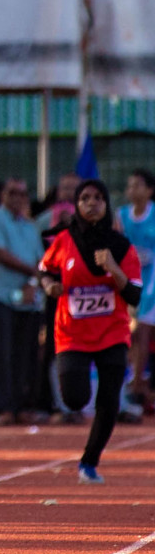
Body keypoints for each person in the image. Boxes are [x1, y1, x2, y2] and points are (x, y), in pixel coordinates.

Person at [39, 179, 142, 483]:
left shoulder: (121, 246)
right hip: (72, 332)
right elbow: (44, 270)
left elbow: (135, 295)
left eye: (98, 198)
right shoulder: (63, 241)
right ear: (77, 205)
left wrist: (114, 269)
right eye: (85, 198)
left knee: (108, 400)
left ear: (106, 204)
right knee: (74, 399)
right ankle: (76, 409)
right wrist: (50, 286)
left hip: (112, 332)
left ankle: (89, 462)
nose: (91, 203)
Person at [0, 177, 46, 424]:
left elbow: (41, 261)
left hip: (28, 298)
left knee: (26, 355)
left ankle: (22, 405)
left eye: (22, 193)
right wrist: (31, 273)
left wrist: (32, 283)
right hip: (3, 296)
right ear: (3, 195)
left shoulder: (30, 227)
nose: (17, 198)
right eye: (12, 193)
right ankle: (2, 407)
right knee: (2, 353)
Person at [115, 169, 155, 410]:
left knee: (143, 329)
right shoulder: (121, 216)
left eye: (138, 185)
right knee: (131, 331)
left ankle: (139, 381)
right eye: (130, 185)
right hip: (131, 277)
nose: (133, 190)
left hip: (153, 278)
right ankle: (137, 379)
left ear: (149, 190)